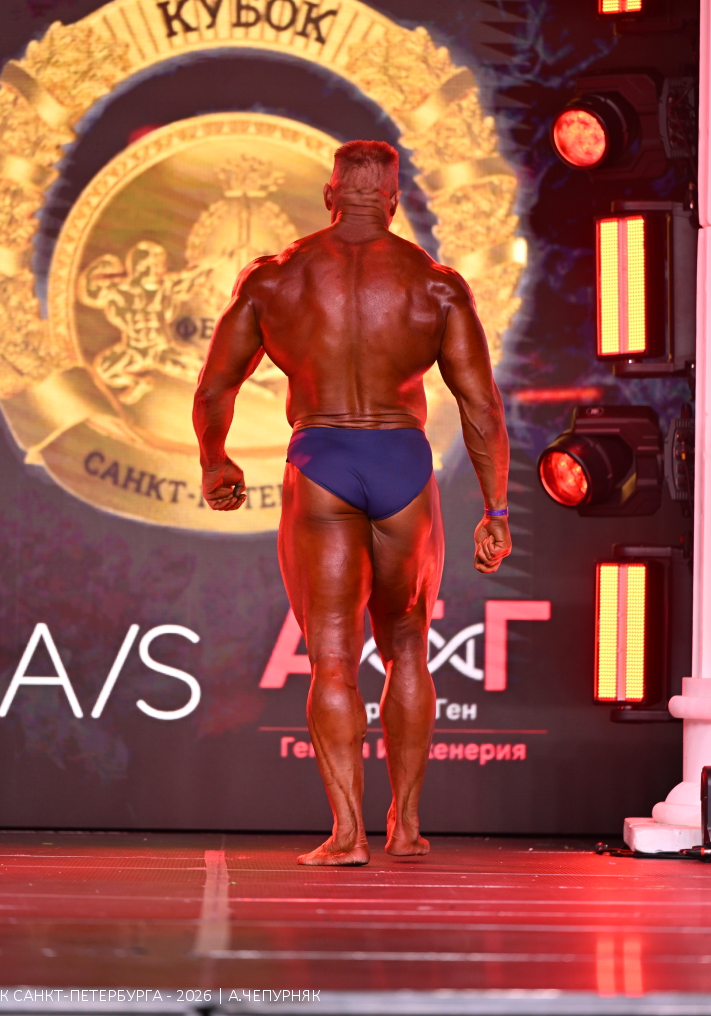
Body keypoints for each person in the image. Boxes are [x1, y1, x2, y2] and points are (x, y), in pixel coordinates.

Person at [193, 140, 511, 866]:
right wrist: (495, 510)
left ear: (330, 196)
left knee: (332, 657)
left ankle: (346, 836)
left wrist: (216, 460)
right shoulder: (435, 284)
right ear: (393, 202)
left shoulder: (275, 277)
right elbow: (482, 408)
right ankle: (407, 827)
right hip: (403, 464)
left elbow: (215, 387)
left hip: (322, 462)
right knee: (408, 649)